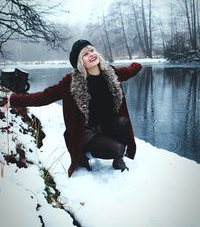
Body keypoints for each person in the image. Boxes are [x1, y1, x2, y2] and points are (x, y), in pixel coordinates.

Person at [0, 39, 142, 177]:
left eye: (92, 50)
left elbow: (129, 71)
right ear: (80, 62)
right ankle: (83, 154)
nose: (91, 54)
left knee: (123, 122)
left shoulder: (110, 73)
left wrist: (137, 64)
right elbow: (44, 97)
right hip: (86, 132)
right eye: (85, 54)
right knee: (118, 149)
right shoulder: (71, 82)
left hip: (105, 126)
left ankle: (118, 160)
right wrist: (13, 100)